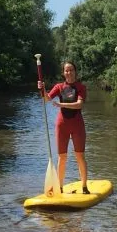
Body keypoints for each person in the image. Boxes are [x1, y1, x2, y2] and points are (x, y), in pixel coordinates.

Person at [38, 61, 89, 195]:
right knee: (62, 157)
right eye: (66, 70)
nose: (69, 72)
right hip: (62, 125)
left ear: (75, 71)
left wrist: (61, 105)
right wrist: (42, 89)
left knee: (80, 156)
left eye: (71, 70)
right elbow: (46, 99)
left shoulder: (81, 87)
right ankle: (59, 187)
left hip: (77, 124)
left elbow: (79, 105)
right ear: (63, 73)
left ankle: (84, 186)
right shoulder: (59, 86)